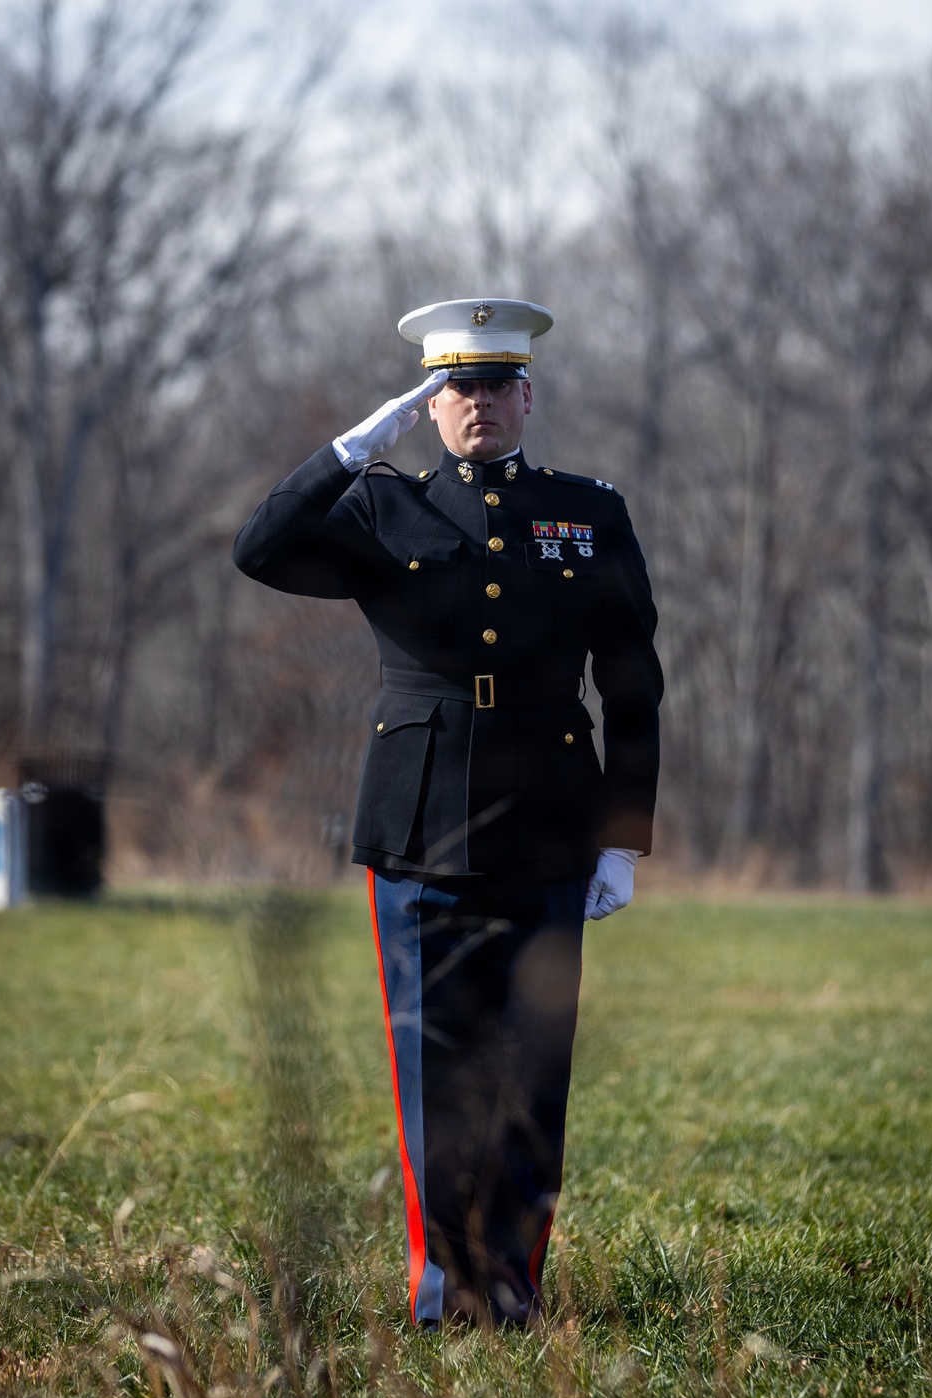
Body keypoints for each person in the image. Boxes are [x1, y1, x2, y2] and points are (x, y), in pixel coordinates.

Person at [233, 298, 662, 1329]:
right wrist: (351, 447)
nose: (477, 404)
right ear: (431, 406)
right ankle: (445, 1289)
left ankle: (511, 1286)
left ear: (528, 394)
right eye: (454, 388)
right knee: (434, 1066)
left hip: (553, 822)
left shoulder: (588, 511)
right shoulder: (384, 510)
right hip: (421, 824)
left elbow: (635, 680)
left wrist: (623, 838)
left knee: (532, 1066)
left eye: (495, 385)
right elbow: (259, 547)